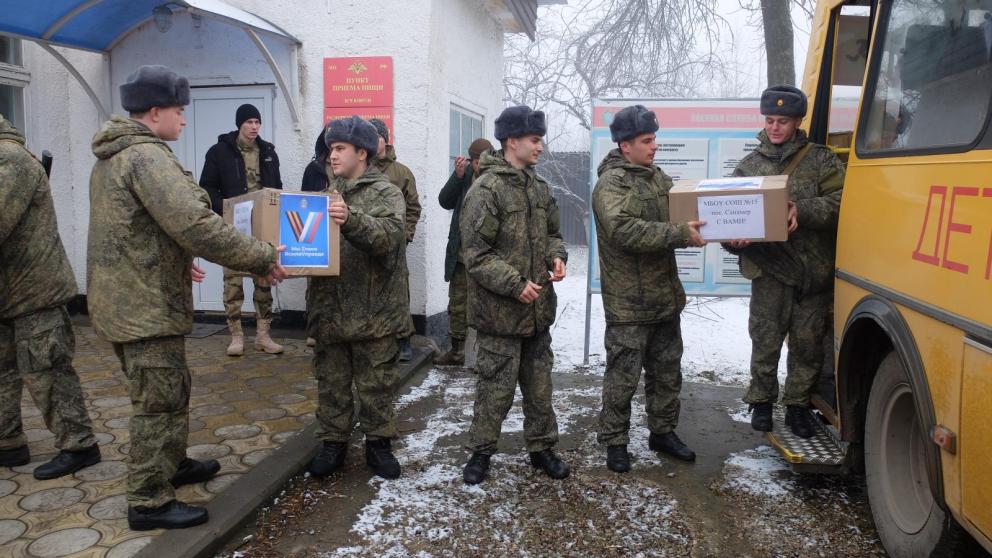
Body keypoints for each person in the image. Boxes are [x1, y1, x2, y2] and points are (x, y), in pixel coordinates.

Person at [88, 65, 287, 530]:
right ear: (155, 111)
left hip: (128, 297)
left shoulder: (115, 157)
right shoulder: (146, 158)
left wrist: (177, 258)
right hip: (143, 306)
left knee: (171, 388)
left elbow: (138, 227)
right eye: (179, 110)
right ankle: (148, 501)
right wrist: (261, 256)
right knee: (157, 402)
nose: (183, 118)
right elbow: (195, 223)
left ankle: (171, 464)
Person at [724, 85, 845, 439]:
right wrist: (733, 240)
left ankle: (797, 405)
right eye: (770, 120)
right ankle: (761, 402)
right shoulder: (749, 166)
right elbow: (728, 214)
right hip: (770, 269)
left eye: (783, 121)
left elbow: (843, 202)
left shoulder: (821, 160)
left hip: (812, 271)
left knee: (808, 343)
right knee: (765, 337)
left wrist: (801, 210)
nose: (775, 127)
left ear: (797, 122)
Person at [591, 105, 707, 472]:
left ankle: (663, 431)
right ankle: (615, 441)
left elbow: (688, 215)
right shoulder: (612, 184)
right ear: (625, 145)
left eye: (654, 138)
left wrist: (727, 225)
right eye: (647, 140)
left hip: (664, 299)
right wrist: (679, 233)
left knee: (667, 373)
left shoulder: (658, 179)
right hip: (629, 305)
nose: (654, 146)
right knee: (622, 378)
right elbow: (623, 231)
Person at [459, 106, 569, 485]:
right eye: (534, 140)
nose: (540, 147)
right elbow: (475, 254)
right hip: (500, 315)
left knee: (540, 389)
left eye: (540, 140)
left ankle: (542, 448)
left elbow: (553, 233)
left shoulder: (539, 188)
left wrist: (557, 256)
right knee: (495, 390)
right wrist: (515, 283)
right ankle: (481, 452)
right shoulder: (486, 190)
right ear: (512, 141)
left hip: (537, 312)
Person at [305, 116, 409, 480]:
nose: (331, 155)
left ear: (361, 153)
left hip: (374, 312)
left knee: (376, 384)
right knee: (331, 384)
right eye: (330, 149)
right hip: (330, 311)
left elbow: (389, 238)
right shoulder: (322, 196)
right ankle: (333, 443)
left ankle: (378, 444)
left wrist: (350, 219)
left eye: (339, 148)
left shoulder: (387, 193)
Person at [0, 114, 101, 480]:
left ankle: (79, 445)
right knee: (4, 370)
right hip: (8, 290)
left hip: (34, 290)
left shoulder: (10, 159)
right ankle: (8, 441)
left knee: (47, 371)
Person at [199, 103, 284, 356]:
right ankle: (236, 335)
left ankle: (263, 335)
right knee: (233, 281)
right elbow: (207, 188)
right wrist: (226, 209)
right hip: (234, 226)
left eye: (257, 122)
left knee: (264, 279)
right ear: (240, 125)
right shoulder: (219, 152)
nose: (254, 127)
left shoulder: (269, 152)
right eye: (249, 122)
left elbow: (277, 188)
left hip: (263, 226)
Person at [435, 138, 493, 366]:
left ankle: (483, 357)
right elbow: (444, 201)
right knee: (458, 305)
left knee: (486, 308)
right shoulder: (465, 175)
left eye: (482, 161)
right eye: (475, 161)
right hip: (461, 255)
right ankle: (457, 351)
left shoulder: (497, 178)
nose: (479, 166)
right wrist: (457, 176)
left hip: (487, 256)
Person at [369, 118, 419, 362]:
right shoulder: (362, 169)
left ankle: (404, 339)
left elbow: (413, 207)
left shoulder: (401, 172)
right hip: (366, 242)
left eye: (376, 137)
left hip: (394, 245)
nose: (372, 141)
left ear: (385, 140)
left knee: (399, 292)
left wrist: (406, 235)